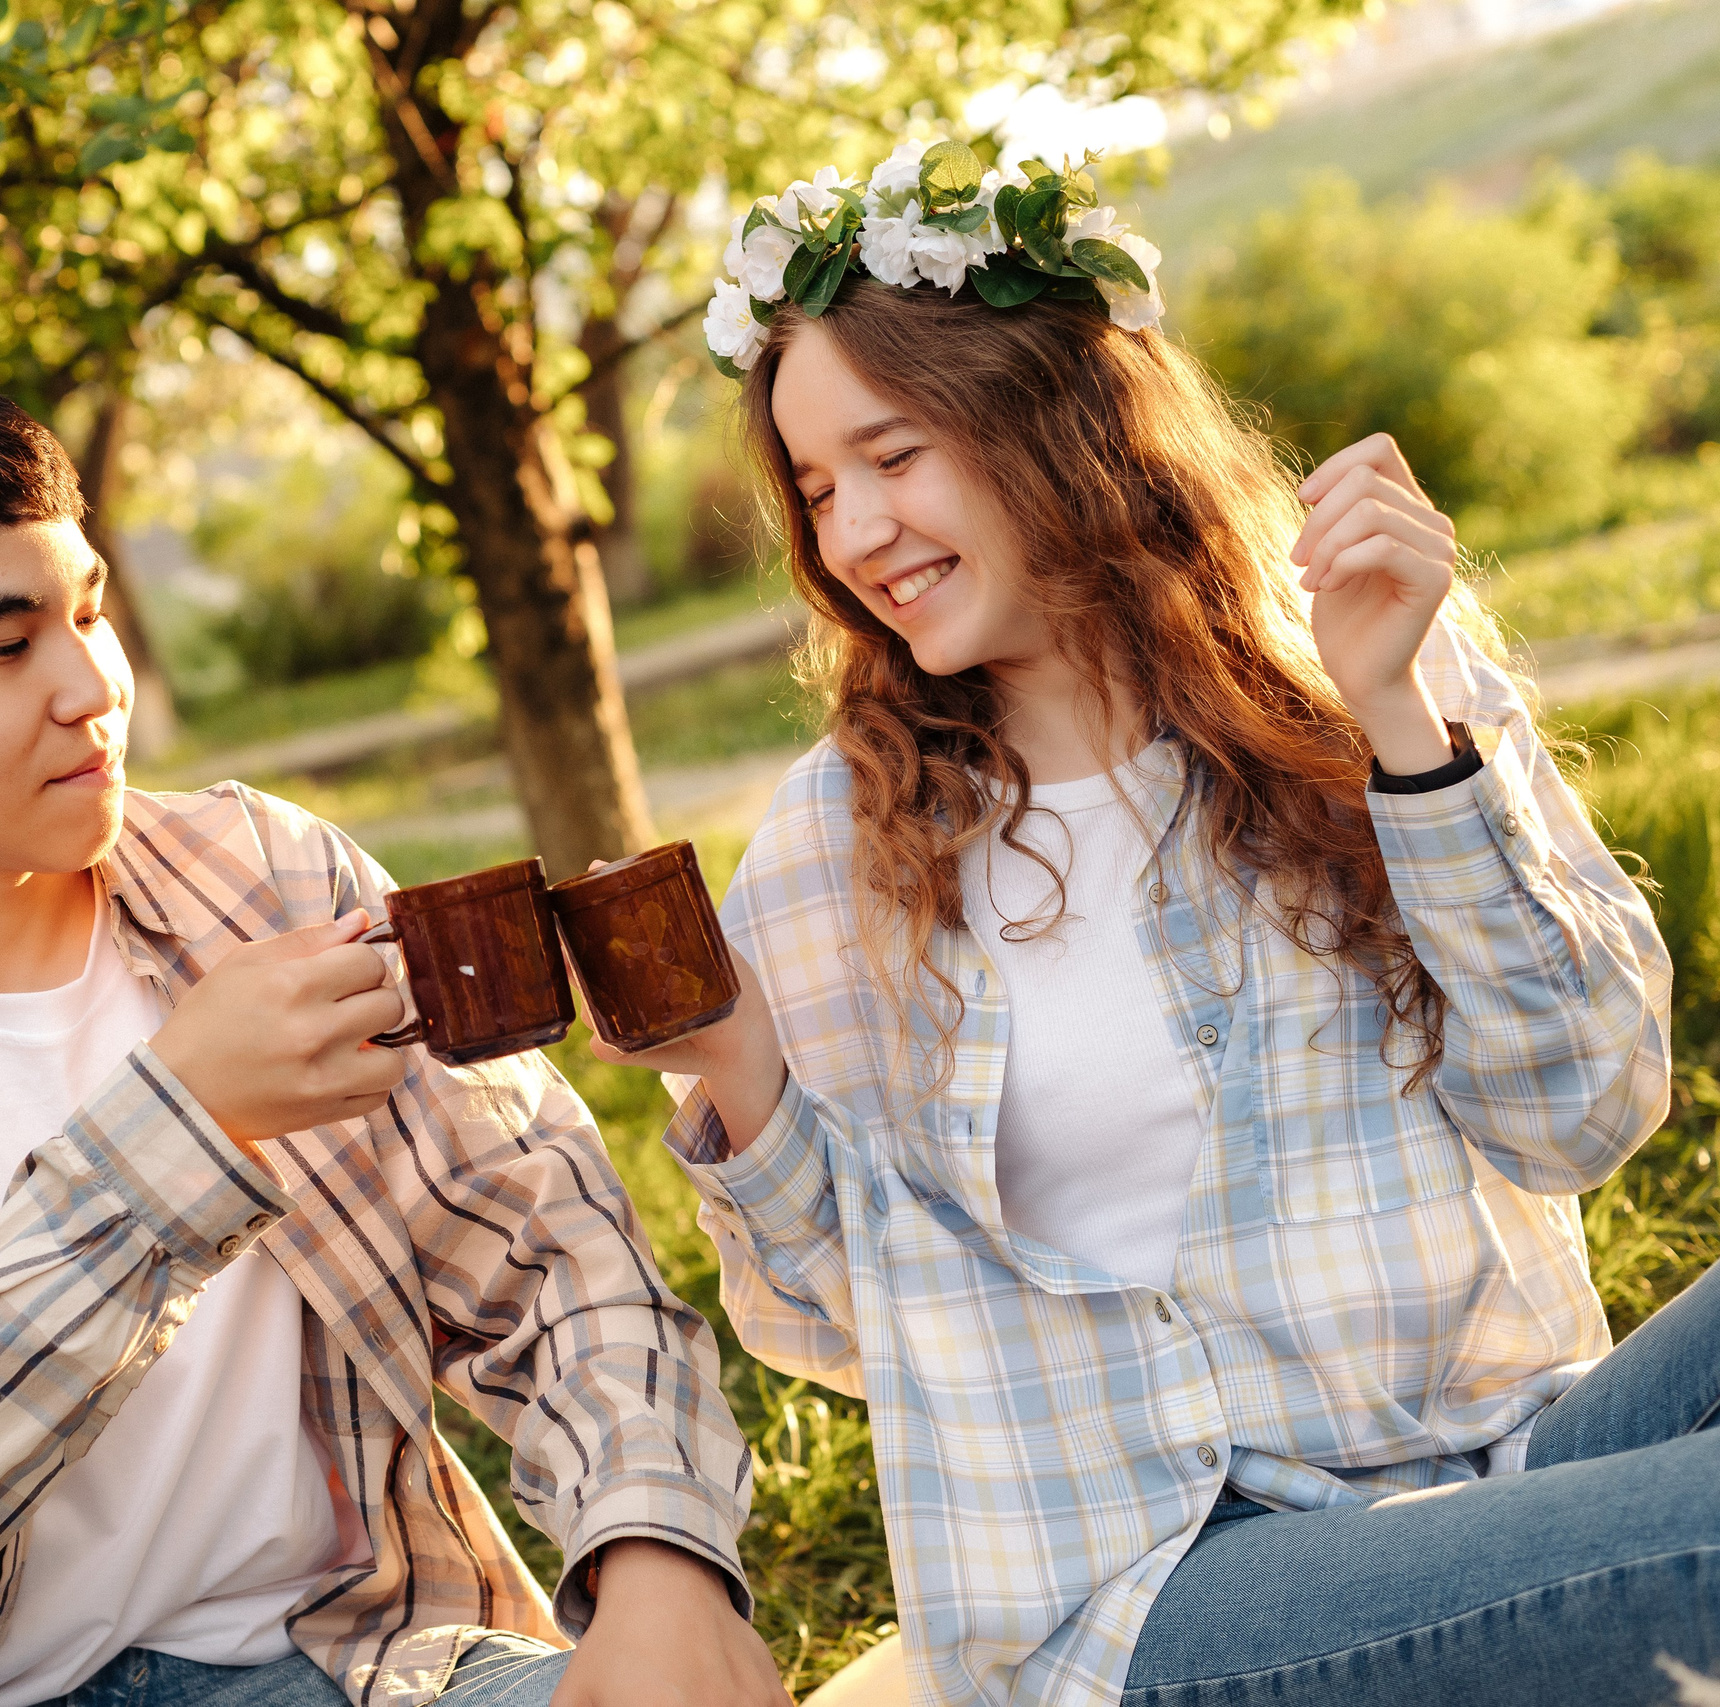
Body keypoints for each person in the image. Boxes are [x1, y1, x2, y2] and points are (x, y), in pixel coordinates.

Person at [620, 141, 1715, 1706]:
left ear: (1055, 421)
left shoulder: (1361, 664)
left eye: (896, 454)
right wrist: (740, 1070)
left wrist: (1400, 717)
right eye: (815, 487)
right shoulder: (834, 844)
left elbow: (1586, 1111)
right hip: (1157, 1586)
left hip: (1506, 1467)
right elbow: (835, 1329)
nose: (855, 532)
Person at [0, 369, 787, 1707]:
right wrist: (181, 1128)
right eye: (0, 646)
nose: (92, 686)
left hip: (360, 1663)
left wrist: (659, 1556)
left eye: (88, 612)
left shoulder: (266, 875)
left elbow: (546, 1250)